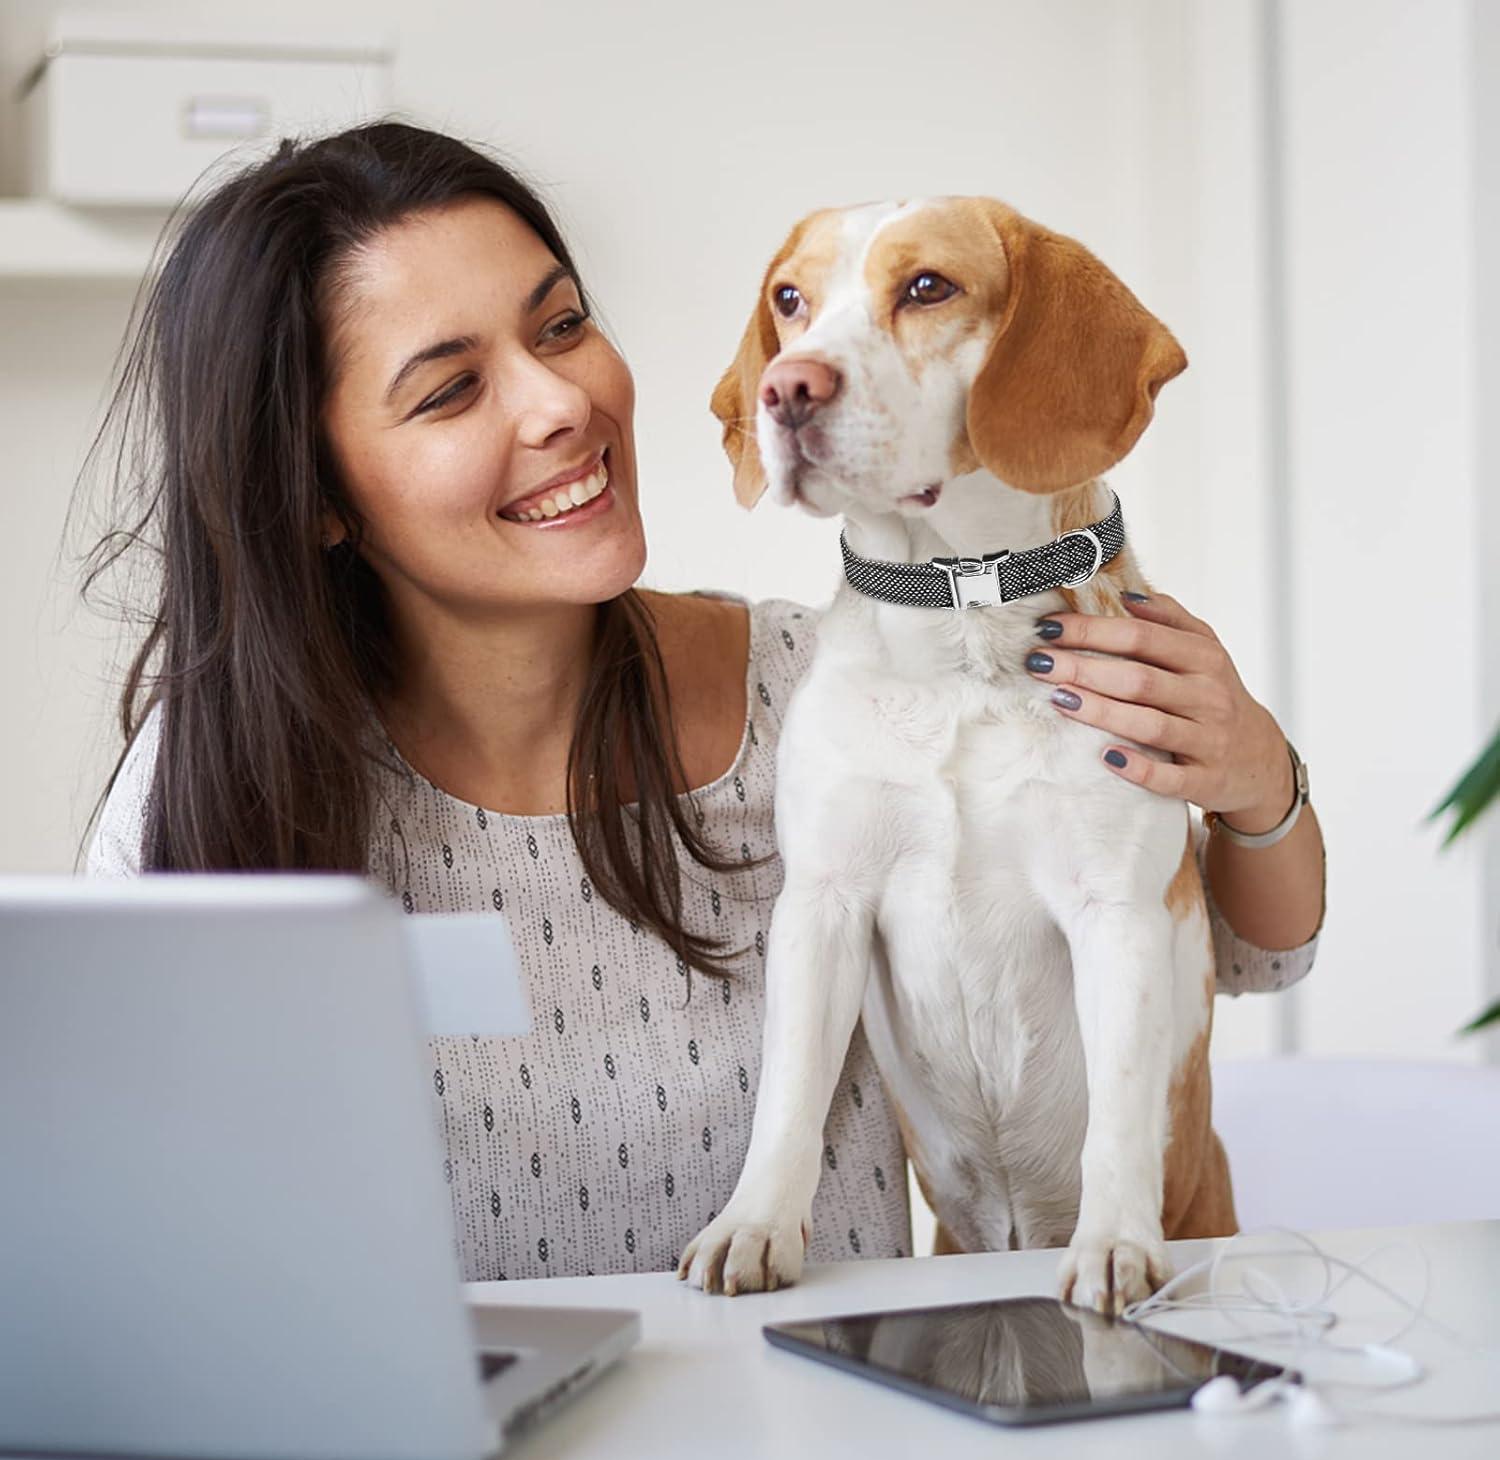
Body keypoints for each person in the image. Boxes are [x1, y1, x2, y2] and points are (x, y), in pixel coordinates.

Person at [78, 121, 1327, 1281]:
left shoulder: (824, 689)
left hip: (843, 1421)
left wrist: (1260, 783)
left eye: (560, 327)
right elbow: (118, 1230)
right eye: (452, 389)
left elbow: (1234, 959)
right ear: (318, 496)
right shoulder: (217, 790)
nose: (560, 403)